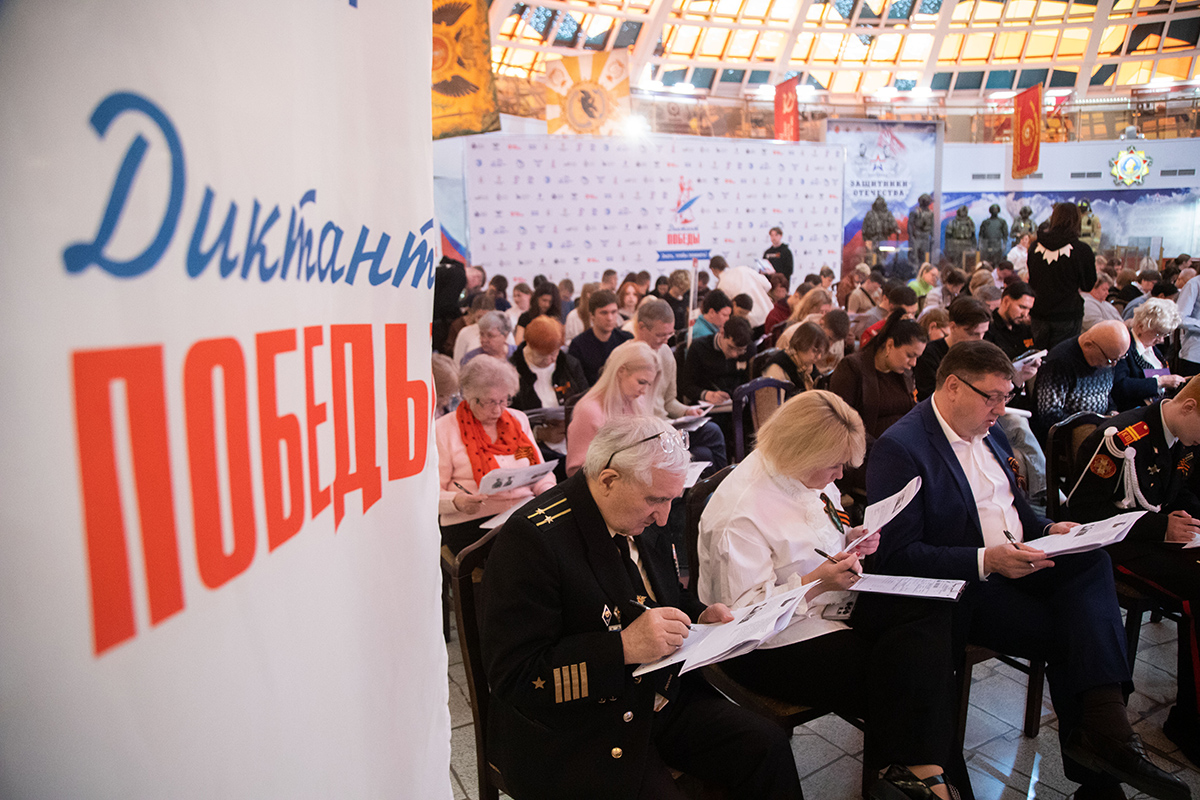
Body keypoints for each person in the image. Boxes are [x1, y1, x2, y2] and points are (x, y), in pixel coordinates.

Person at [868, 340, 1189, 800]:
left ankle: (1106, 734)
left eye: (1007, 396)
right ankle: (1103, 759)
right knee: (1078, 632)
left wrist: (1050, 528)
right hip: (969, 585)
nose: (1002, 409)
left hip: (1021, 558)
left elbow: (1016, 512)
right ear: (953, 387)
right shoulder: (902, 447)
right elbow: (896, 556)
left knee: (1092, 561)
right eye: (992, 397)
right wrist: (987, 559)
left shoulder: (992, 432)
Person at [480, 416, 804, 800]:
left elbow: (661, 593)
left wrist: (698, 614)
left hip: (659, 695)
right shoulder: (534, 540)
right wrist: (623, 648)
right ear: (608, 480)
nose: (664, 517)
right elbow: (516, 676)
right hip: (584, 723)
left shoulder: (637, 512)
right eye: (656, 500)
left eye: (671, 500)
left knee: (766, 746)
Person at [698, 391, 958, 799]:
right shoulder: (742, 512)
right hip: (766, 641)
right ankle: (925, 780)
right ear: (801, 453)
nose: (839, 476)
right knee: (908, 677)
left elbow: (820, 528)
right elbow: (743, 616)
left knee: (930, 618)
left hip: (831, 602)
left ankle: (910, 777)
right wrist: (817, 582)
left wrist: (851, 537)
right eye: (834, 465)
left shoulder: (806, 472)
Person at [1066, 379, 1200, 769]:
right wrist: (1159, 527)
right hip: (1114, 545)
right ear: (1189, 407)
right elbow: (1083, 512)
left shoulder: (1184, 436)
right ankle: (1190, 723)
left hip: (1154, 538)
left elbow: (1179, 490)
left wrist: (1189, 517)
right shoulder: (1121, 438)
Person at [436, 356, 556, 555]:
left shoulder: (518, 420)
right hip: (472, 521)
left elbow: (539, 470)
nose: (498, 409)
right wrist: (456, 501)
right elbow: (431, 491)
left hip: (522, 511)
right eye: (490, 402)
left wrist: (547, 491)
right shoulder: (444, 429)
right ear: (470, 397)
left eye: (504, 400)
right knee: (526, 552)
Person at [632, 299, 727, 469]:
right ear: (641, 328)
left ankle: (721, 482)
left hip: (667, 424)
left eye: (669, 335)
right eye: (660, 335)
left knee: (712, 432)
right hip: (646, 432)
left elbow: (669, 401)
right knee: (703, 453)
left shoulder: (665, 352)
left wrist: (687, 411)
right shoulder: (627, 358)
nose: (665, 341)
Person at [831, 312, 928, 446]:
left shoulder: (904, 373)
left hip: (903, 444)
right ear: (890, 345)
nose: (914, 363)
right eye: (910, 355)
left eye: (917, 357)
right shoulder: (852, 368)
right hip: (866, 448)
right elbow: (842, 421)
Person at [566, 341, 659, 476]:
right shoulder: (589, 411)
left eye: (648, 384)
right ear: (621, 371)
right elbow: (575, 470)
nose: (644, 391)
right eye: (641, 382)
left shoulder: (637, 402)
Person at [1033, 320, 1131, 441]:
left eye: (1119, 359)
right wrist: (1088, 425)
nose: (1113, 365)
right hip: (1068, 436)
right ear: (1088, 345)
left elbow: (1107, 395)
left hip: (1100, 427)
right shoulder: (1058, 362)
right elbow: (1048, 414)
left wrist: (1112, 412)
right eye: (1110, 360)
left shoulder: (1107, 356)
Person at [510, 316, 589, 464]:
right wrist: (538, 433)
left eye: (554, 353)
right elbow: (506, 420)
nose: (550, 360)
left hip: (571, 443)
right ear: (529, 345)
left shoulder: (569, 365)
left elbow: (586, 401)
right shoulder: (512, 371)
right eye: (542, 356)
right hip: (530, 450)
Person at [1028, 202, 1097, 350]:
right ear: (1077, 221)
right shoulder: (1082, 250)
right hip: (1068, 315)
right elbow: (1088, 285)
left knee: (1038, 357)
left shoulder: (1034, 247)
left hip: (1039, 313)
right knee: (1062, 357)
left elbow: (1032, 282)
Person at [1112, 299, 1187, 411]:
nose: (1161, 340)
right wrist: (1161, 381)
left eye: (1164, 335)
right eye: (1158, 334)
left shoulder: (1153, 348)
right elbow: (1121, 386)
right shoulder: (1124, 347)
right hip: (1134, 410)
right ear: (1141, 326)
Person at [914, 297, 993, 401]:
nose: (979, 339)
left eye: (984, 333)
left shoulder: (983, 353)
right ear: (953, 327)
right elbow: (929, 396)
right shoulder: (929, 354)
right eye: (972, 334)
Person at [678, 315, 756, 407]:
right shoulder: (699, 348)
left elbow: (750, 381)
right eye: (730, 347)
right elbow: (686, 386)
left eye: (740, 350)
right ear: (722, 333)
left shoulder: (749, 349)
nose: (734, 354)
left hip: (738, 403)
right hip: (708, 405)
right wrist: (707, 395)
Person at [568, 289, 635, 387]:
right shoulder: (578, 345)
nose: (610, 318)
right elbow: (577, 384)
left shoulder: (626, 340)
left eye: (614, 312)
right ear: (592, 315)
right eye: (604, 313)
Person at [762, 321, 829, 391]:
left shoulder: (807, 365)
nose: (819, 357)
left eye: (820, 353)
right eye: (815, 351)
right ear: (802, 344)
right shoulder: (777, 368)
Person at [711, 256, 773, 329]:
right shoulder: (743, 269)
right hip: (768, 315)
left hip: (750, 323)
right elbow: (768, 285)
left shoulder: (722, 285)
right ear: (726, 264)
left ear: (713, 270)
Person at [762, 273, 793, 344]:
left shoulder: (788, 305)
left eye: (783, 291)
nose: (781, 294)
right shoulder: (766, 302)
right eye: (778, 291)